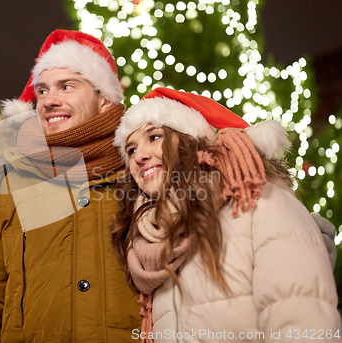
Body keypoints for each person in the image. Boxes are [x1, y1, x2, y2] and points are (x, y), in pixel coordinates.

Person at [0, 29, 142, 342]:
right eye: (43, 91)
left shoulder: (145, 173)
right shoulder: (4, 188)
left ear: (105, 100)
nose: (49, 100)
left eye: (66, 86)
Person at [111, 87, 341, 342]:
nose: (139, 157)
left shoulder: (258, 204)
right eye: (130, 150)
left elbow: (302, 322)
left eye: (154, 137)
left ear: (190, 139)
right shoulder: (148, 241)